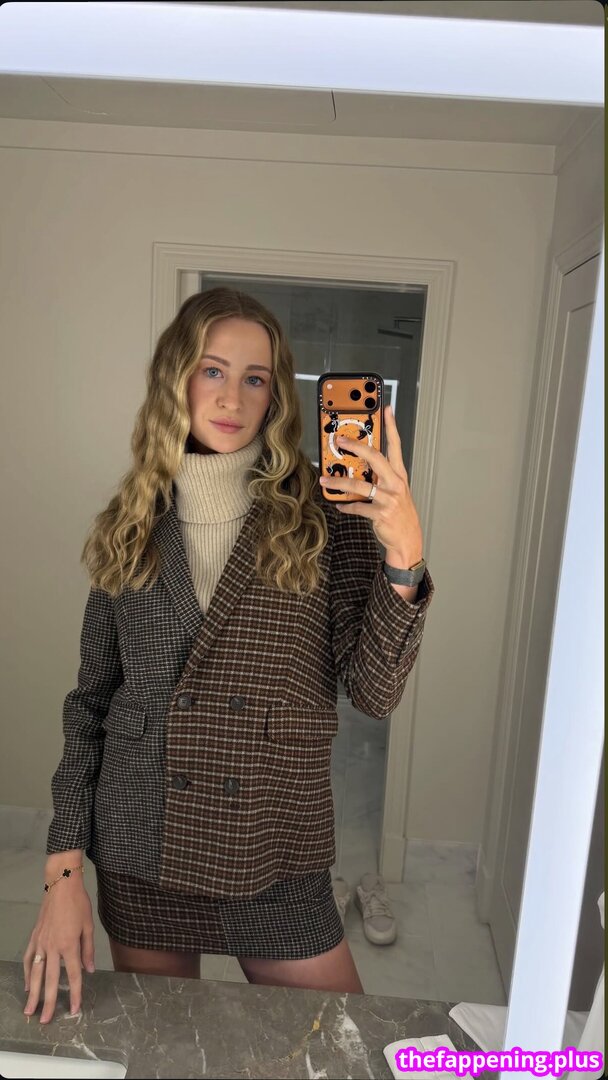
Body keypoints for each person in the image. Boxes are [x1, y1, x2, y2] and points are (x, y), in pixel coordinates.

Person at [23, 286, 435, 1024]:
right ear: (176, 378)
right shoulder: (131, 520)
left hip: (272, 845)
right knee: (169, 1045)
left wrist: (404, 553)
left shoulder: (326, 513)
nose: (232, 398)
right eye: (212, 370)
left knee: (336, 1047)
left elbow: (374, 692)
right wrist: (62, 878)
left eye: (256, 378)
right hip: (144, 841)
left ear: (276, 397)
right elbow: (90, 705)